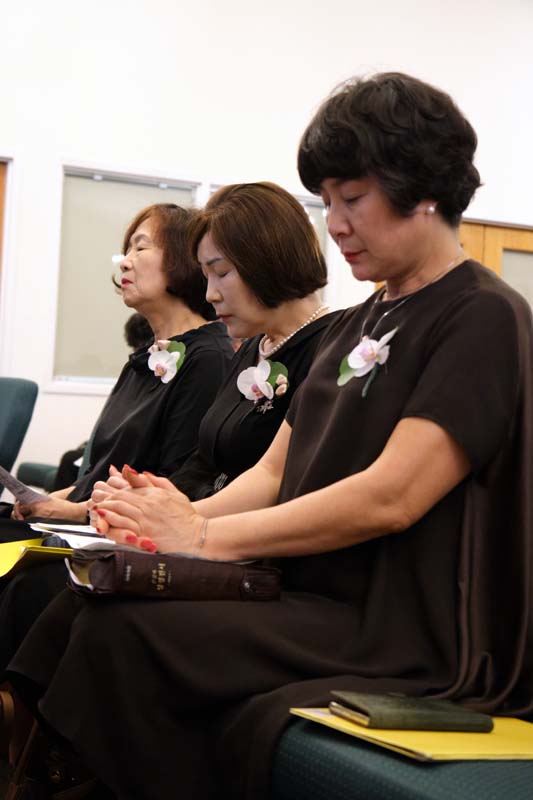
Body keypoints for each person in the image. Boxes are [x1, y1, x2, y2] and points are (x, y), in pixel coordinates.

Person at [6, 73, 533, 800]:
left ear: (423, 188)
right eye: (328, 203)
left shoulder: (482, 315)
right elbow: (271, 473)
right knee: (94, 601)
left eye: (353, 199)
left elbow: (394, 496)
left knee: (130, 633)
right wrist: (172, 525)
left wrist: (203, 538)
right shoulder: (354, 325)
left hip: (397, 625)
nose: (336, 224)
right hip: (308, 593)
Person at [0, 182, 335, 674]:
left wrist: (182, 522)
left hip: (251, 550)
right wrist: (148, 503)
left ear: (266, 260)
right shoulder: (250, 349)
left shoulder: (326, 345)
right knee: (53, 581)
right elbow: (201, 462)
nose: (211, 292)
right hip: (203, 530)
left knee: (72, 596)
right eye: (207, 274)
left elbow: (274, 479)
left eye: (221, 273)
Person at [6, 203, 233, 527]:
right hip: (93, 524)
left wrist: (68, 511)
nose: (125, 261)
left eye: (140, 247)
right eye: (127, 251)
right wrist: (52, 500)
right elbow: (97, 476)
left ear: (183, 259)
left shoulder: (208, 359)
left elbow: (178, 488)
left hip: (129, 534)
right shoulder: (145, 360)